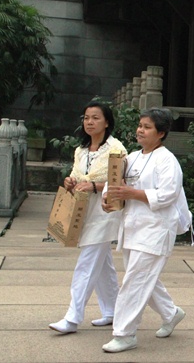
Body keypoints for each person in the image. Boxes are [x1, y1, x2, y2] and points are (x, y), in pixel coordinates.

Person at [100, 108, 190, 353]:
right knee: (141, 277)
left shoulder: (167, 160)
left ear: (161, 133)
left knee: (135, 281)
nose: (140, 130)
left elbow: (168, 194)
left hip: (156, 228)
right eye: (140, 125)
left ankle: (124, 334)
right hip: (132, 226)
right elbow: (113, 181)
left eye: (147, 127)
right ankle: (170, 313)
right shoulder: (132, 157)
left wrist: (133, 193)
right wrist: (108, 198)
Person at [49, 101, 127, 334]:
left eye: (95, 118)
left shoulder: (116, 149)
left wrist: (94, 186)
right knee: (102, 265)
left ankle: (72, 318)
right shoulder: (81, 150)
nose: (89, 122)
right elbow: (76, 177)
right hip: (84, 211)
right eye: (86, 118)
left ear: (107, 122)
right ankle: (112, 310)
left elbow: (120, 182)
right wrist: (70, 182)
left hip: (105, 212)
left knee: (87, 263)